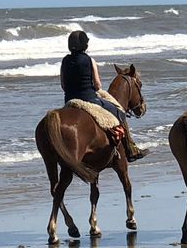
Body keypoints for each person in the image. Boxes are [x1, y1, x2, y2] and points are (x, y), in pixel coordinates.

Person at [60, 30, 147, 162]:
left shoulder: (65, 61)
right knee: (120, 112)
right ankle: (130, 150)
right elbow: (97, 85)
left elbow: (63, 85)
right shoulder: (90, 60)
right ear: (85, 45)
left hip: (69, 100)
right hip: (89, 99)